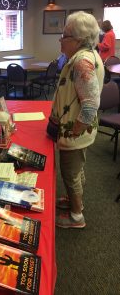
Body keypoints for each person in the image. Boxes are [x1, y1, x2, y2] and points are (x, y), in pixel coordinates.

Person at [48, 11, 104, 228]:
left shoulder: (82, 62)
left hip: (76, 132)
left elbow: (90, 103)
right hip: (80, 131)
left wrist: (76, 129)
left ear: (78, 40)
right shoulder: (88, 55)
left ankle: (76, 216)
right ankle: (75, 201)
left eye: (65, 35)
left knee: (70, 173)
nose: (61, 39)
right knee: (77, 169)